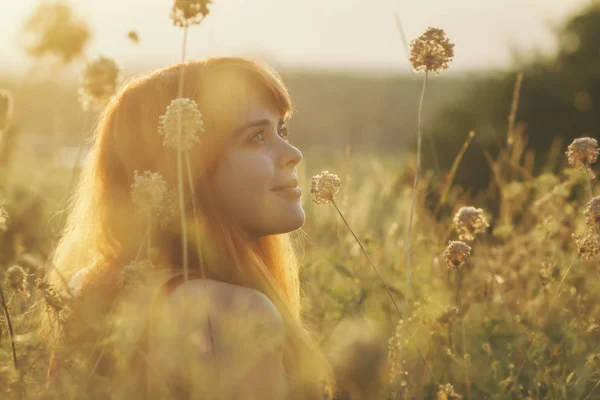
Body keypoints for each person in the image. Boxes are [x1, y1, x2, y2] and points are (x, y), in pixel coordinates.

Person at [42, 57, 335, 399]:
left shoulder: (89, 284)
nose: (293, 153)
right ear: (189, 169)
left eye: (281, 131)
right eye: (256, 137)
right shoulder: (231, 312)